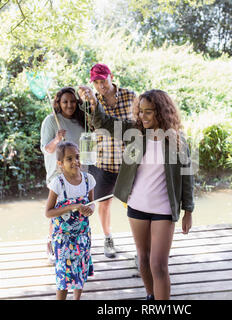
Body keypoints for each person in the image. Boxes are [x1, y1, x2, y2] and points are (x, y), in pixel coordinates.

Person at [78, 88, 194, 300]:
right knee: (143, 257)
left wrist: (189, 211)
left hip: (164, 209)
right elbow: (104, 123)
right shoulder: (134, 132)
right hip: (136, 206)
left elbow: (187, 178)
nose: (142, 116)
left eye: (148, 112)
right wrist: (93, 101)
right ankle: (151, 296)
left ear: (161, 112)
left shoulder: (177, 140)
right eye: (140, 111)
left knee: (158, 264)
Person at [80, 63, 136, 258]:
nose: (100, 85)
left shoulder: (130, 96)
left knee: (135, 202)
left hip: (129, 162)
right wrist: (90, 102)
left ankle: (139, 241)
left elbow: (139, 124)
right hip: (103, 161)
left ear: (110, 76)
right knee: (104, 203)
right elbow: (91, 127)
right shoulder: (92, 100)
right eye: (95, 82)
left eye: (102, 80)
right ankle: (107, 238)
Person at [40, 86, 86, 264]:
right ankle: (51, 243)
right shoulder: (51, 121)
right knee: (57, 210)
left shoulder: (81, 121)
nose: (69, 105)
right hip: (58, 173)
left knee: (76, 209)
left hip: (78, 171)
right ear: (58, 103)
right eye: (65, 101)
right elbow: (47, 149)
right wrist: (57, 139)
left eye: (73, 101)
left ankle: (74, 243)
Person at [44, 141, 96, 300]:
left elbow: (92, 203)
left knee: (80, 271)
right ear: (60, 164)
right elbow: (48, 212)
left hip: (82, 236)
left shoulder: (89, 180)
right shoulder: (57, 183)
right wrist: (73, 206)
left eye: (77, 157)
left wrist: (90, 209)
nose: (75, 161)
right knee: (64, 277)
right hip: (63, 238)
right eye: (69, 159)